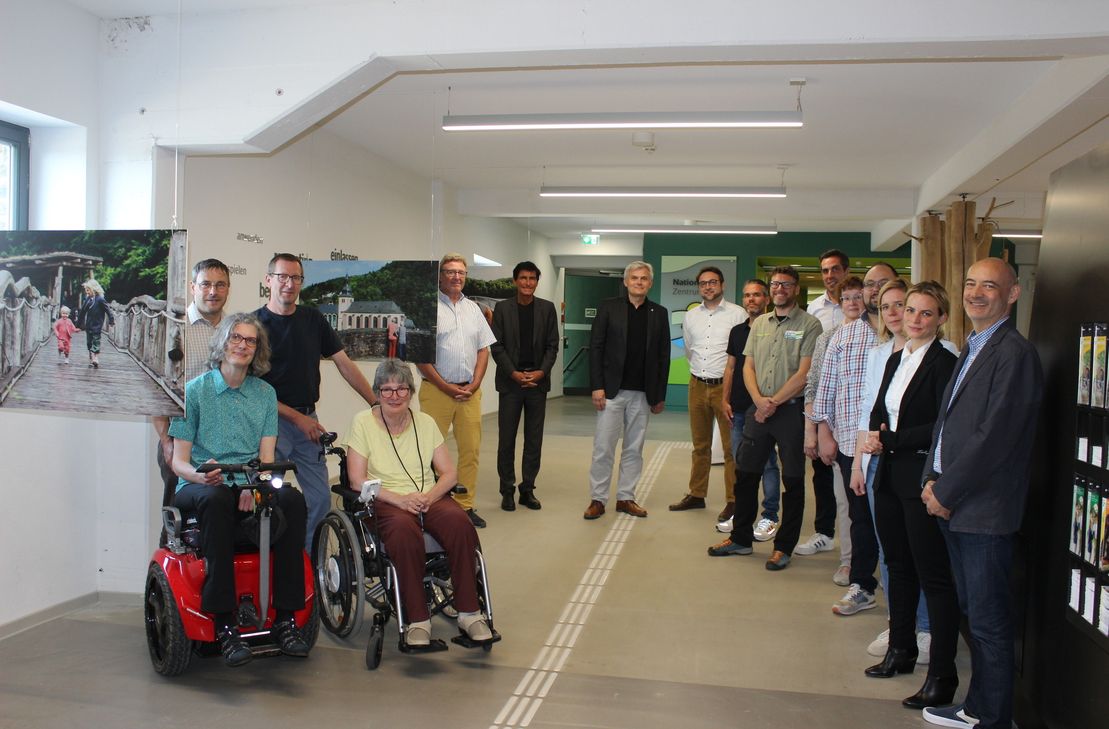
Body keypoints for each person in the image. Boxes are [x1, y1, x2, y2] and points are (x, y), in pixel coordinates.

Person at [920, 258, 1043, 729]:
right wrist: (931, 477)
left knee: (989, 622)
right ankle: (978, 706)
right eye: (970, 283)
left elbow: (995, 437)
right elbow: (948, 422)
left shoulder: (1014, 354)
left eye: (989, 286)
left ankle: (993, 718)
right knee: (974, 612)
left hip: (983, 512)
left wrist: (945, 490)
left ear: (1012, 295)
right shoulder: (974, 346)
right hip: (955, 504)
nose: (976, 292)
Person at [169, 313, 310, 667]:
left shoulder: (265, 394)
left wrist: (257, 486)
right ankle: (225, 622)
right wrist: (201, 476)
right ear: (222, 344)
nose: (243, 346)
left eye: (250, 341)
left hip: (246, 480)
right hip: (200, 484)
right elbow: (179, 462)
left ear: (257, 350)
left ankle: (285, 619)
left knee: (292, 500)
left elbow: (265, 459)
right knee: (216, 499)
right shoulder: (194, 391)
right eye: (236, 338)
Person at [861, 281, 961, 712]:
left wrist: (893, 440)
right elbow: (881, 409)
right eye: (911, 311)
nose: (915, 319)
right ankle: (901, 650)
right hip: (888, 475)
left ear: (941, 318)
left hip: (920, 478)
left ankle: (942, 674)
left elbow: (944, 425)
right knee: (898, 568)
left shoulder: (945, 362)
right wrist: (878, 437)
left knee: (934, 577)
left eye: (925, 313)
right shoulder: (897, 356)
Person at [344, 359, 493, 647]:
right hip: (386, 499)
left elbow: (449, 473)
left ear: (411, 392)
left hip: (427, 497)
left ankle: (469, 613)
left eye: (401, 389)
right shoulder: (362, 422)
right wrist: (400, 500)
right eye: (386, 390)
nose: (394, 396)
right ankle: (417, 620)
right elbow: (356, 480)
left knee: (460, 524)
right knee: (403, 533)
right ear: (377, 392)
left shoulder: (425, 423)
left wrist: (430, 496)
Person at [255, 253, 378, 550]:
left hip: (308, 420)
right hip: (270, 424)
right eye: (282, 277)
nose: (289, 284)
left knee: (321, 499)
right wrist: (298, 419)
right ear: (268, 280)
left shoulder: (314, 319)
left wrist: (376, 403)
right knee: (267, 497)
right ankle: (270, 565)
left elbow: (344, 364)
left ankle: (311, 566)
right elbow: (253, 387)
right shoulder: (254, 326)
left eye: (295, 278)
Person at [708, 265, 822, 570]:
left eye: (785, 284)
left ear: (795, 289)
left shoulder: (811, 325)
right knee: (746, 473)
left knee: (793, 479)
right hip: (759, 408)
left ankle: (783, 546)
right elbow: (748, 367)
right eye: (775, 284)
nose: (779, 289)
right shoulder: (759, 325)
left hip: (790, 411)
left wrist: (773, 402)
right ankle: (741, 539)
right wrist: (759, 401)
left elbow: (805, 372)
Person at [584, 261, 670, 520]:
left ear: (650, 283)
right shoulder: (609, 308)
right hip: (611, 391)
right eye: (634, 278)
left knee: (634, 448)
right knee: (603, 448)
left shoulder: (659, 312)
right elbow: (596, 347)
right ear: (626, 281)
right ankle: (598, 499)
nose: (639, 282)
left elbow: (663, 356)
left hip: (643, 394)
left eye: (644, 278)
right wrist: (597, 386)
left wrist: (659, 395)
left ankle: (626, 497)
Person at [416, 254, 497, 528]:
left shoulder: (474, 309)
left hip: (469, 393)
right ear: (440, 276)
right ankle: (433, 505)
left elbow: (483, 349)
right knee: (428, 451)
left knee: (470, 450)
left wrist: (475, 383)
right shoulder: (427, 309)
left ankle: (465, 506)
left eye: (461, 272)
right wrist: (446, 386)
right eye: (450, 272)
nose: (456, 277)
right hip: (436, 391)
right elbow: (421, 357)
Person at [807, 275, 872, 590]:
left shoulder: (882, 335)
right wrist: (819, 432)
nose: (852, 303)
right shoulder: (830, 337)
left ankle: (874, 569)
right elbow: (818, 387)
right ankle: (849, 563)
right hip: (841, 434)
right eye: (846, 298)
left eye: (858, 296)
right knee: (846, 506)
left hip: (873, 438)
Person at [669, 266, 747, 521]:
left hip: (725, 388)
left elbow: (741, 355)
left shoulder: (738, 314)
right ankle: (697, 494)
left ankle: (733, 500)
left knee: (730, 448)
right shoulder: (691, 317)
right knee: (700, 445)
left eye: (713, 282)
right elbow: (690, 349)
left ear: (722, 285)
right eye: (703, 283)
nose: (708, 287)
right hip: (697, 385)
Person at [154, 258, 231, 508]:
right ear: (192, 287)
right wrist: (167, 442)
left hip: (223, 440)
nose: (212, 291)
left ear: (228, 289)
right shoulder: (173, 329)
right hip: (181, 441)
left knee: (218, 515)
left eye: (220, 285)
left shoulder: (235, 332)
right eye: (206, 284)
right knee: (176, 516)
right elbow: (158, 393)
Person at [490, 261, 560, 512]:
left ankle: (527, 489)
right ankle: (507, 489)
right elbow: (496, 346)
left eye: (532, 278)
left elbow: (553, 345)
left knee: (534, 440)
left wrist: (541, 372)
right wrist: (514, 373)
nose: (527, 283)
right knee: (506, 440)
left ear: (537, 282)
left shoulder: (548, 309)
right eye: (523, 278)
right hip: (511, 384)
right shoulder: (502, 309)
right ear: (515, 281)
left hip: (537, 385)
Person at [796, 249, 850, 559]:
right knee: (821, 469)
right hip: (823, 400)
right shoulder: (814, 309)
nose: (830, 276)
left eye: (835, 270)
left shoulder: (859, 307)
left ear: (845, 271)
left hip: (853, 404)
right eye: (825, 271)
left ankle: (856, 544)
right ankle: (825, 533)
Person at [718, 279, 782, 539]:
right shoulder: (737, 331)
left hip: (763, 408)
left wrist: (767, 403)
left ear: (766, 298)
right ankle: (742, 512)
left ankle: (769, 515)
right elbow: (731, 367)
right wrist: (725, 400)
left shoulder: (775, 329)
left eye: (756, 295)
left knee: (766, 464)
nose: (751, 299)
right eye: (747, 296)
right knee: (740, 464)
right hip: (738, 408)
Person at [75, 279, 114, 369]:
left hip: (97, 324)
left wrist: (111, 321)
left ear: (94, 289)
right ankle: (92, 357)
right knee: (89, 343)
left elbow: (108, 310)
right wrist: (77, 325)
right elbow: (82, 312)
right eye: (86, 290)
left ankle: (95, 358)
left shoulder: (100, 299)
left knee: (96, 341)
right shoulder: (88, 300)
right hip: (89, 325)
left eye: (88, 290)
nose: (87, 292)